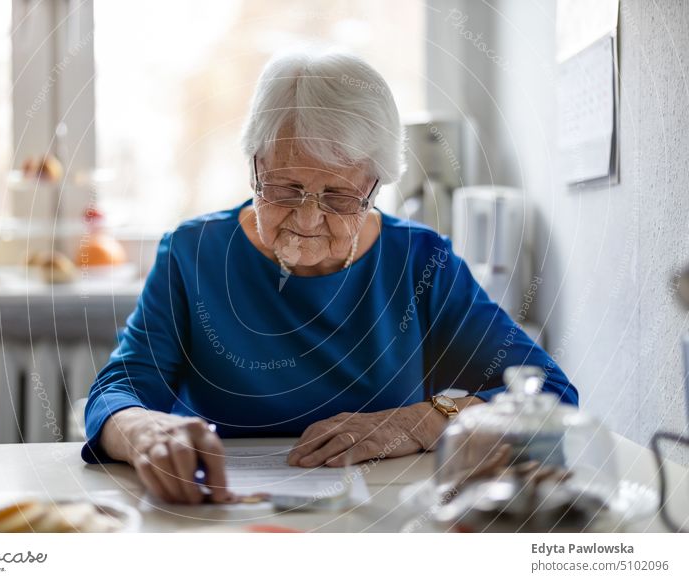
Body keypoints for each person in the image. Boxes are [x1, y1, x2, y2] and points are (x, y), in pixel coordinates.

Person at [82, 50, 578, 505]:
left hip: (377, 513)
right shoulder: (193, 254)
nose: (307, 219)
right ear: (254, 166)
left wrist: (423, 419)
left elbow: (549, 392)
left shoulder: (419, 260)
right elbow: (120, 387)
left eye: (339, 198)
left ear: (375, 187)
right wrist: (143, 430)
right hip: (224, 509)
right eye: (284, 188)